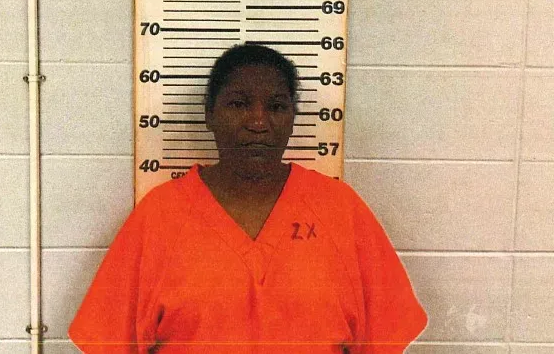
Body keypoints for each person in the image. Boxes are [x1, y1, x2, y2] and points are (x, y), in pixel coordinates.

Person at [69, 44, 427, 353]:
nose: (258, 121)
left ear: (292, 118)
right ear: (209, 114)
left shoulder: (340, 210)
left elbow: (384, 337)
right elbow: (110, 340)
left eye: (276, 106)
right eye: (238, 104)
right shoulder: (160, 217)